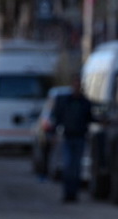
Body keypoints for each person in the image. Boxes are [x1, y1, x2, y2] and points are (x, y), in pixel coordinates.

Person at [49, 75, 93, 203]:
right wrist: (54, 134)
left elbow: (89, 118)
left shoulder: (85, 103)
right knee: (68, 166)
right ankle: (67, 193)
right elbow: (58, 118)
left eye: (78, 85)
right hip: (68, 137)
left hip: (80, 137)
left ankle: (74, 194)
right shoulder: (65, 102)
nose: (77, 87)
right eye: (75, 85)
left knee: (76, 168)